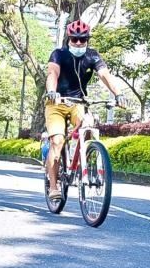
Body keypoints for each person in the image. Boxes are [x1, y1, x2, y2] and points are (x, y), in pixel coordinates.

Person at [44, 19, 127, 200]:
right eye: (75, 39)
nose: (79, 43)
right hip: (56, 103)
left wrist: (118, 94)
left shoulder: (92, 56)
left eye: (83, 39)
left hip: (78, 102)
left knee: (89, 126)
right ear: (69, 39)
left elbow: (104, 75)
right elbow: (52, 73)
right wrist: (51, 91)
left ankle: (86, 164)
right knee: (57, 142)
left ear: (88, 39)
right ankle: (53, 185)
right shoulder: (59, 54)